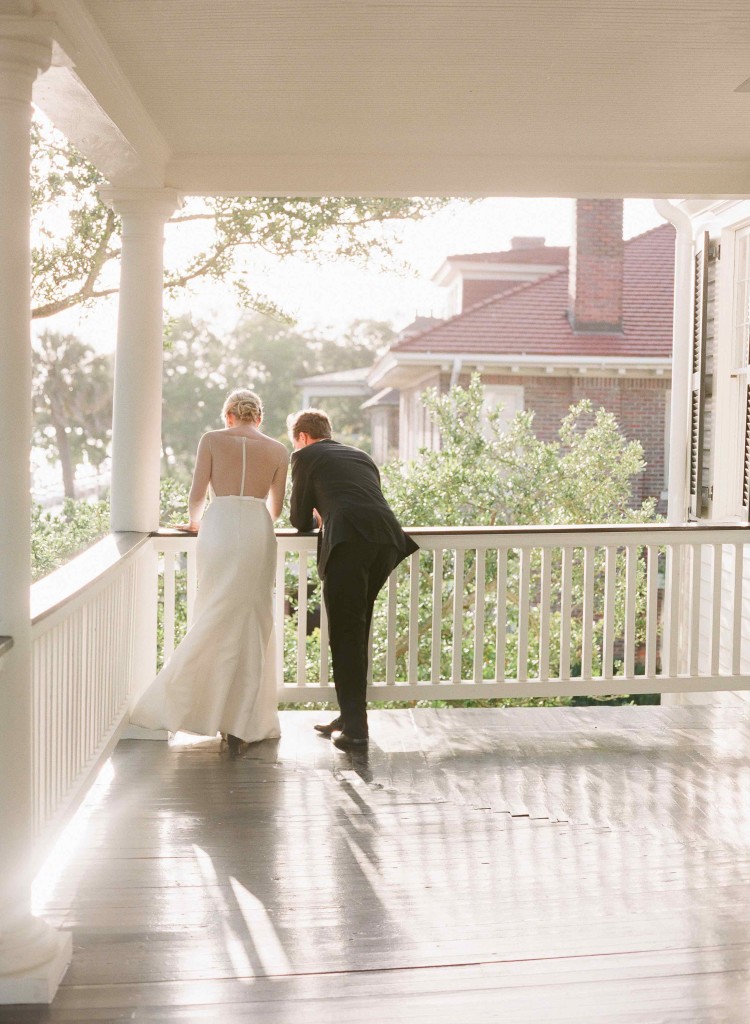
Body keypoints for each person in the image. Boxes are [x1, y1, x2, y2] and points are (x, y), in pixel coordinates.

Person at [131, 389, 289, 749]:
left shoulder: (212, 440)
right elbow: (276, 508)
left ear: (229, 415)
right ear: (258, 417)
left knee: (214, 610)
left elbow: (198, 493)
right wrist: (254, 514)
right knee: (253, 617)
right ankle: (241, 723)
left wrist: (193, 521)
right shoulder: (279, 450)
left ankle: (194, 706)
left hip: (218, 526)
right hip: (256, 528)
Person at [288, 409, 418, 750]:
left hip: (349, 541)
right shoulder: (360, 456)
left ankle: (357, 730)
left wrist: (318, 515)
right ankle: (349, 716)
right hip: (387, 539)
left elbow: (298, 518)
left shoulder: (305, 456)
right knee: (356, 629)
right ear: (328, 431)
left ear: (302, 437)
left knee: (346, 632)